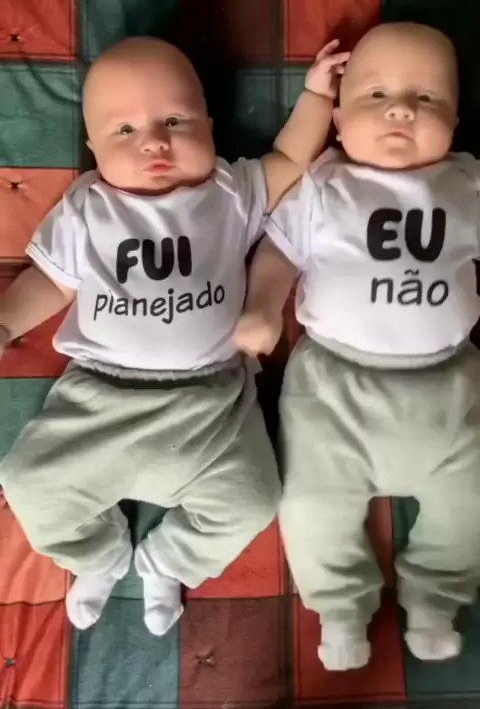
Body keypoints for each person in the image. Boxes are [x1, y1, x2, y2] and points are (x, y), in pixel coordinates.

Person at [0, 35, 349, 634]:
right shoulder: (88, 206)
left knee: (253, 501)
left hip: (209, 404)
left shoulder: (229, 191)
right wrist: (6, 321)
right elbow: (52, 283)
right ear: (93, 149)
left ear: (209, 129)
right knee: (27, 485)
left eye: (174, 121)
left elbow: (290, 162)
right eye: (125, 131)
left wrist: (316, 96)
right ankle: (98, 556)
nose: (155, 142)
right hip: (99, 402)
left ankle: (168, 561)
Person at [235, 22, 480, 669]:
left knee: (473, 501)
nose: (402, 110)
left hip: (450, 388)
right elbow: (278, 252)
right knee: (310, 501)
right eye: (377, 95)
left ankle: (438, 599)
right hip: (333, 389)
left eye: (427, 98)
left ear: (455, 122)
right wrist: (261, 307)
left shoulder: (468, 185)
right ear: (338, 122)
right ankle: (340, 606)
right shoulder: (322, 186)